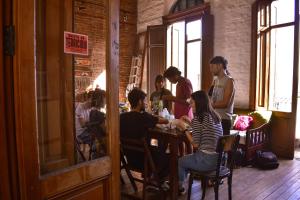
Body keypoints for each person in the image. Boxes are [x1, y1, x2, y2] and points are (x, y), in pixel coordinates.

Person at [176, 90, 223, 195]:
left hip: (206, 161)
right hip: (218, 161)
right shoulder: (215, 116)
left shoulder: (199, 119)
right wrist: (189, 121)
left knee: (181, 161)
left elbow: (195, 144)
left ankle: (179, 187)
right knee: (188, 159)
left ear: (199, 103)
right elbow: (204, 129)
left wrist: (184, 129)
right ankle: (181, 180)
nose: (190, 104)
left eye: (192, 102)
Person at [120, 88, 169, 178]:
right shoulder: (144, 117)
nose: (146, 103)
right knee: (169, 154)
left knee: (155, 142)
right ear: (139, 102)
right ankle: (166, 183)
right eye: (144, 100)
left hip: (130, 159)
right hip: (145, 160)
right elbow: (165, 121)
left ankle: (152, 179)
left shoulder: (122, 117)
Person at [209, 56, 235, 135]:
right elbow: (209, 96)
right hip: (213, 117)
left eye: (212, 66)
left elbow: (225, 103)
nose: (211, 69)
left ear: (220, 66)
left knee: (221, 146)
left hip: (223, 119)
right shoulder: (215, 80)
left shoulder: (229, 80)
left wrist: (209, 106)